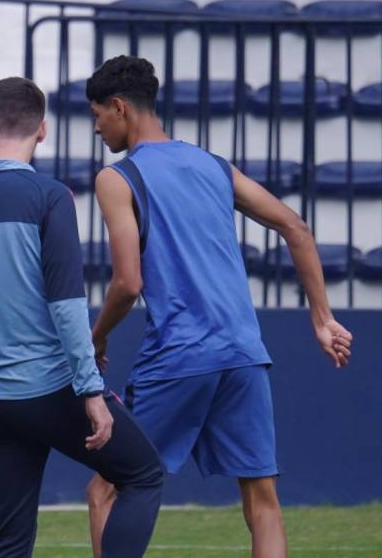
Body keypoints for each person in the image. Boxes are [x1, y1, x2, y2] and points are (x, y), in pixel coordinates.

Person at [82, 55, 353, 558]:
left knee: (107, 488)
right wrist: (322, 319)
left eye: (98, 114)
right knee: (262, 500)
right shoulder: (212, 164)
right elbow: (296, 227)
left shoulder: (116, 179)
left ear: (119, 108)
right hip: (244, 353)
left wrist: (95, 339)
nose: (96, 127)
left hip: (179, 355)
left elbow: (126, 283)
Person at [0, 77, 165, 557]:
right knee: (142, 474)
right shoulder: (50, 197)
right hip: (51, 392)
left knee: (9, 540)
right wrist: (91, 390)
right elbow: (66, 306)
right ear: (43, 131)